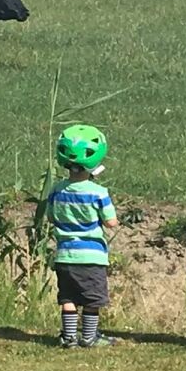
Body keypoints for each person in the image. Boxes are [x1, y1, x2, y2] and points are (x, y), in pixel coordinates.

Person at [47, 124, 119, 349]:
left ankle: (68, 337)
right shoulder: (98, 193)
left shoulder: (57, 190)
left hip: (65, 255)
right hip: (91, 257)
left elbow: (51, 217)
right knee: (92, 299)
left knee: (68, 298)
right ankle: (89, 336)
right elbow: (111, 221)